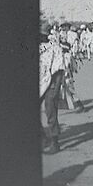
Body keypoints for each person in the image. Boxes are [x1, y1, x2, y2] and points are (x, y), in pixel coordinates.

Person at [39, 21, 66, 154]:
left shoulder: (54, 47)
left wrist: (56, 88)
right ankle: (43, 138)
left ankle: (55, 143)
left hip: (51, 83)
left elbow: (60, 69)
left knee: (51, 112)